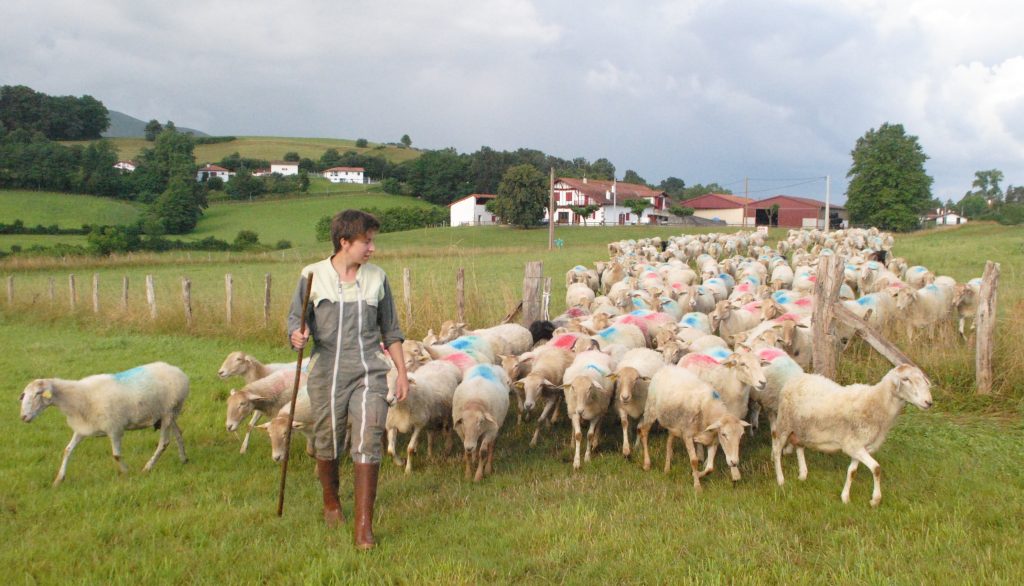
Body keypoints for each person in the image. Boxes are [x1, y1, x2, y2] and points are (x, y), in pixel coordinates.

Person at [287, 209, 408, 550]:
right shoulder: (312, 276)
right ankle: (331, 500)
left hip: (369, 370)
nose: (372, 248)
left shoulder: (377, 278)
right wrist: (296, 336)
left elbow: (392, 331)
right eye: (366, 242)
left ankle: (363, 527)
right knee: (327, 440)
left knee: (369, 437)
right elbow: (295, 320)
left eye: (372, 242)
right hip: (327, 373)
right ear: (345, 242)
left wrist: (402, 372)